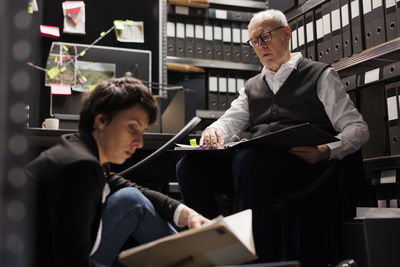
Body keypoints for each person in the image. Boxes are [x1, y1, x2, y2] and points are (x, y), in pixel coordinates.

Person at [176, 9, 369, 265]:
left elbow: (358, 128)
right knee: (189, 167)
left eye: (265, 36)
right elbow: (231, 120)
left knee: (248, 160)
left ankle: (254, 260)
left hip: (304, 164)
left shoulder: (320, 75)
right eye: (254, 41)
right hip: (255, 167)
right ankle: (216, 249)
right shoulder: (253, 85)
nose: (260, 45)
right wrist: (215, 131)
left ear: (286, 33)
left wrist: (325, 150)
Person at [26, 77, 209, 267]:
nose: (139, 142)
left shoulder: (83, 154)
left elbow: (135, 190)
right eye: (132, 128)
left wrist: (189, 215)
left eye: (142, 132)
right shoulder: (79, 168)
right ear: (102, 121)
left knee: (131, 197)